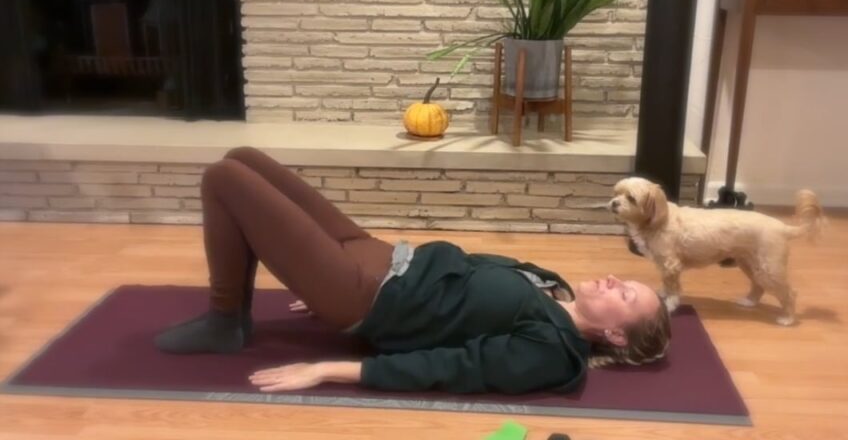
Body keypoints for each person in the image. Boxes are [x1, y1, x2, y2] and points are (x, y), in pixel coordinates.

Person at [155, 147, 671, 395]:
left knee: (223, 179)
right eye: (626, 281)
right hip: (377, 254)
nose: (613, 280)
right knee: (242, 158)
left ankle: (226, 320)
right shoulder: (553, 286)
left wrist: (326, 369)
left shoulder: (551, 352)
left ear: (615, 337)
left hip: (363, 295)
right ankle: (234, 317)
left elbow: (454, 367)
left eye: (625, 296)